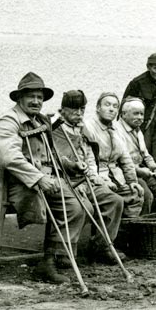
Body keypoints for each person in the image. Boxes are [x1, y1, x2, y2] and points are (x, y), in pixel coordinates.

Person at [0, 73, 87, 284]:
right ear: (19, 99)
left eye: (39, 97)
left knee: (78, 205)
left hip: (41, 180)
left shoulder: (40, 120)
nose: (36, 101)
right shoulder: (9, 122)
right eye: (31, 96)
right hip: (13, 183)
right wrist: (39, 178)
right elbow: (9, 158)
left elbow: (51, 153)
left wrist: (70, 165)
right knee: (57, 201)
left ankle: (51, 258)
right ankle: (49, 263)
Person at [51, 90, 126, 263]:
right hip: (64, 180)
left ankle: (102, 247)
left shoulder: (82, 128)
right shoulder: (55, 129)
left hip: (85, 179)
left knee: (114, 201)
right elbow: (55, 160)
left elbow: (91, 156)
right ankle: (65, 252)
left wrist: (93, 175)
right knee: (81, 207)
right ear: (63, 110)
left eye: (82, 110)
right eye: (74, 110)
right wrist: (72, 166)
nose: (79, 114)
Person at [84, 93, 144, 219]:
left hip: (115, 176)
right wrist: (102, 180)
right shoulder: (88, 127)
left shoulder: (116, 130)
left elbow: (125, 158)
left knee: (136, 193)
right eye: (107, 105)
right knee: (114, 200)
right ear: (98, 108)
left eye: (115, 106)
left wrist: (132, 181)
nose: (111, 109)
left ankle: (125, 233)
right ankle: (103, 238)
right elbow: (88, 160)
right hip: (96, 177)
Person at [114, 97, 156, 215]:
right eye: (136, 114)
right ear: (124, 114)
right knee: (145, 194)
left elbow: (146, 155)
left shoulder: (137, 130)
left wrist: (154, 168)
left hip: (142, 171)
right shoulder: (116, 131)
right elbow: (120, 162)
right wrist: (141, 171)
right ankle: (143, 229)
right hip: (124, 175)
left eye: (142, 114)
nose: (140, 118)